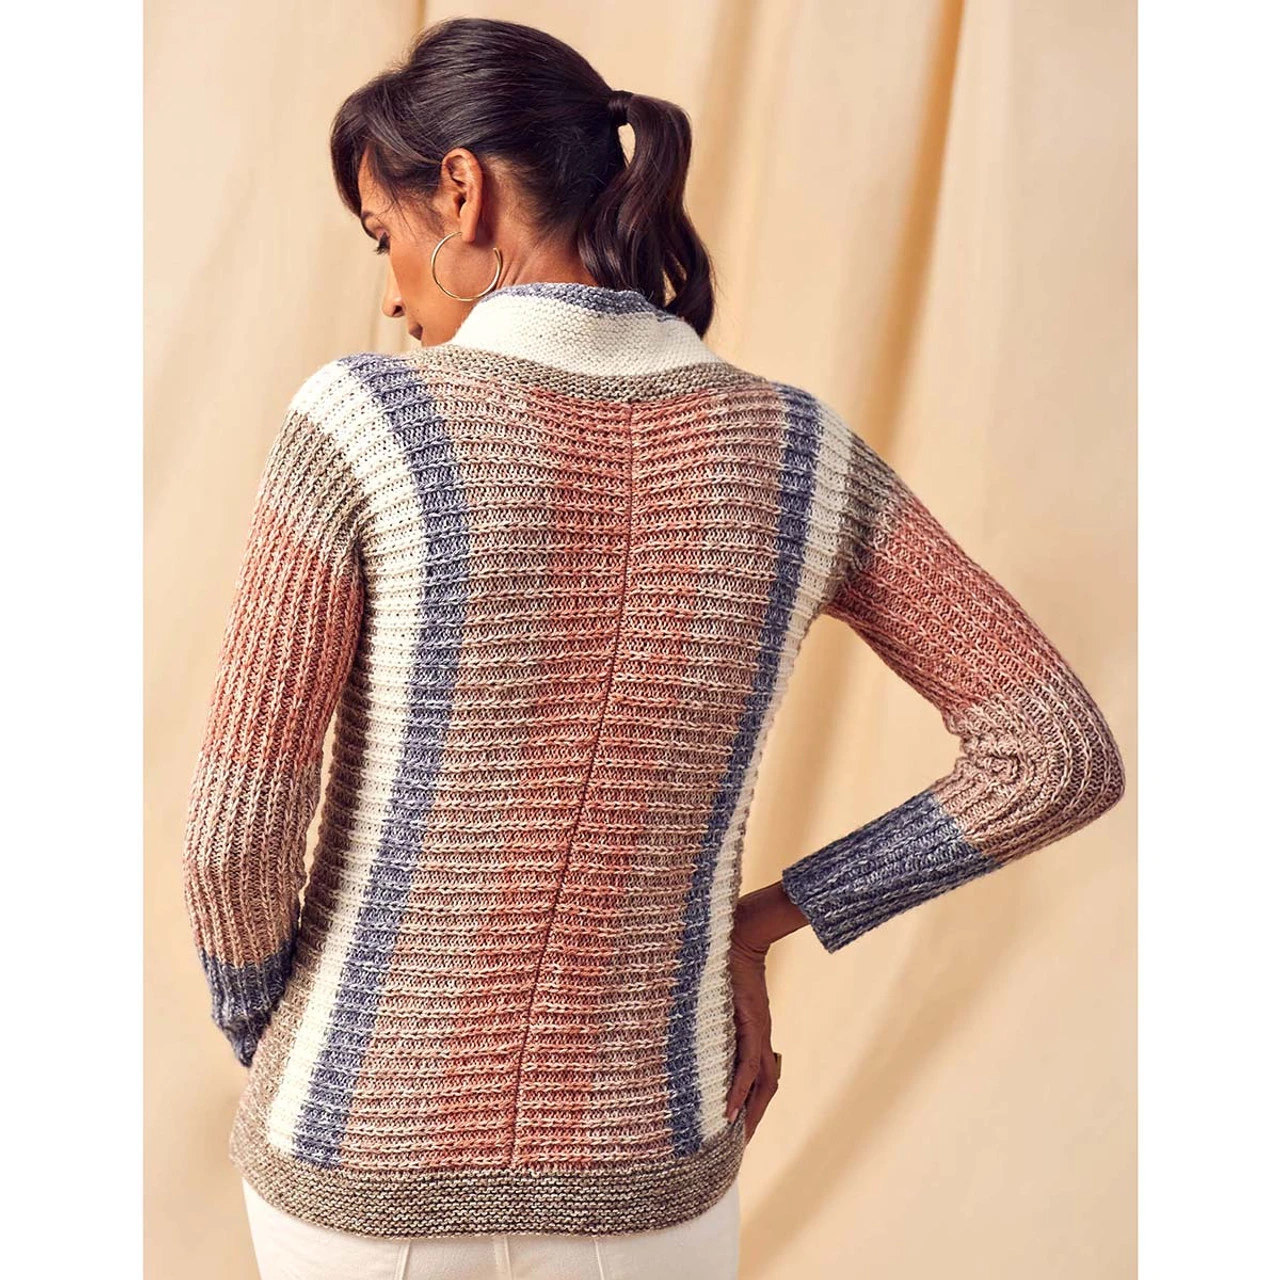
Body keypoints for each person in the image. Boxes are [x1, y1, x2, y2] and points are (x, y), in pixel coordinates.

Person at [181, 16, 1126, 1280]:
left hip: (355, 1172)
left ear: (458, 191)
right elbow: (1053, 752)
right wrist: (761, 923)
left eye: (380, 234)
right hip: (653, 1175)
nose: (390, 291)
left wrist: (271, 1031)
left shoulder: (362, 421)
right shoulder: (796, 453)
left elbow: (236, 832)